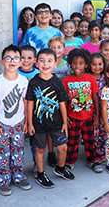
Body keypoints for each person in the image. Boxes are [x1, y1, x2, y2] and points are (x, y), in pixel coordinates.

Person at [26, 48, 74, 189]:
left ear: (55, 64)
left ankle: (60, 168)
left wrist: (65, 122)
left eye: (49, 61)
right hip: (39, 124)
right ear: (36, 63)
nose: (45, 64)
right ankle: (41, 174)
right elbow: (29, 104)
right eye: (42, 61)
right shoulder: (33, 82)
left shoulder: (57, 82)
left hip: (57, 123)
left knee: (63, 147)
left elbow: (62, 104)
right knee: (40, 149)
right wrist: (29, 123)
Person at [0, 44, 31, 196]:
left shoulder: (24, 81)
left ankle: (18, 177)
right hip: (2, 124)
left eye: (15, 58)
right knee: (2, 154)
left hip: (19, 123)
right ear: (2, 62)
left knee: (18, 152)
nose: (12, 61)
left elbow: (26, 102)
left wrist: (26, 122)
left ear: (20, 62)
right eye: (8, 58)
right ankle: (3, 180)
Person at [62, 49, 102, 173]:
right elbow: (63, 101)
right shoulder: (66, 80)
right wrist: (65, 118)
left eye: (80, 63)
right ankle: (69, 161)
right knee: (72, 141)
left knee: (90, 140)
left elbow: (95, 97)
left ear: (86, 64)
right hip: (72, 116)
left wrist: (97, 116)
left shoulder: (91, 79)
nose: (77, 66)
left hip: (88, 116)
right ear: (70, 64)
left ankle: (92, 160)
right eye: (74, 63)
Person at [17, 45, 40, 177]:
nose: (26, 61)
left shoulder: (38, 74)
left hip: (35, 115)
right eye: (22, 58)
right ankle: (17, 167)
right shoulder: (15, 73)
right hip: (19, 115)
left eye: (29, 58)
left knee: (35, 143)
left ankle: (37, 165)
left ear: (35, 59)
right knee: (18, 143)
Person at [89, 53, 107, 163]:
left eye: (100, 64)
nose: (97, 67)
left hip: (104, 110)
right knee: (94, 131)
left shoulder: (106, 78)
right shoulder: (88, 78)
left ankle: (102, 150)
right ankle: (95, 151)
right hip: (93, 111)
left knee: (103, 130)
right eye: (94, 64)